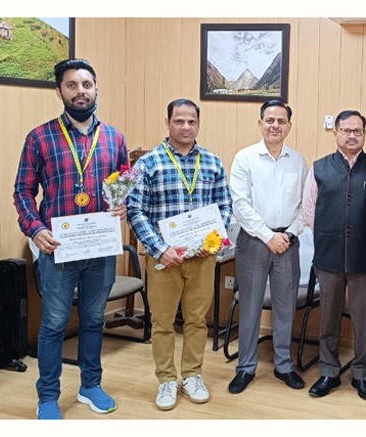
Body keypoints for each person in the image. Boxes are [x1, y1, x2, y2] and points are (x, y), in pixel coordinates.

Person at [13, 58, 128, 419]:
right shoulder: (39, 137)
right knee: (53, 324)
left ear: (96, 89)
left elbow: (124, 185)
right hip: (58, 249)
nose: (81, 91)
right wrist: (35, 229)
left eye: (87, 84)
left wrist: (122, 204)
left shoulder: (114, 138)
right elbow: (22, 191)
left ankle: (90, 385)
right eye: (72, 85)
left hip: (100, 249)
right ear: (59, 91)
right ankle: (48, 396)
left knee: (93, 320)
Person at [127, 99, 232, 410]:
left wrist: (213, 241)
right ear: (168, 122)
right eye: (179, 121)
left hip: (202, 258)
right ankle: (166, 380)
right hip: (164, 259)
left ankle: (192, 375)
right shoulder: (147, 163)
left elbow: (225, 206)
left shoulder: (212, 162)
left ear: (198, 124)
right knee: (162, 322)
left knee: (197, 321)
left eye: (191, 122)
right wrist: (160, 249)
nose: (186, 127)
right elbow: (135, 210)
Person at [228, 100, 308, 394]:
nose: (275, 125)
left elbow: (304, 206)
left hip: (287, 242)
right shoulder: (245, 158)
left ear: (289, 126)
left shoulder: (298, 161)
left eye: (281, 121)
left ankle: (284, 365)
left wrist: (289, 233)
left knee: (285, 308)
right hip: (254, 241)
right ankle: (245, 367)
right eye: (270, 120)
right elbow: (240, 204)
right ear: (260, 123)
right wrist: (267, 236)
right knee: (250, 307)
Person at [302, 110, 366, 400]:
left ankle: (363, 375)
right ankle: (328, 372)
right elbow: (309, 210)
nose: (351, 136)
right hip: (329, 254)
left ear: (364, 134)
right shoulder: (319, 167)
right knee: (329, 317)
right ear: (335, 133)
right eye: (346, 130)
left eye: (357, 131)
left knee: (365, 319)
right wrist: (330, 232)